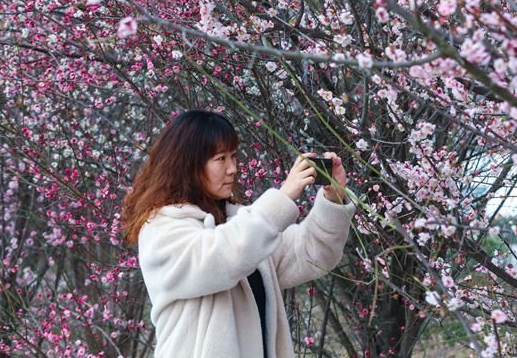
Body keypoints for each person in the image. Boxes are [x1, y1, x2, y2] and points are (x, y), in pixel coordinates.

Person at [120, 110, 356, 357]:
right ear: (188, 164)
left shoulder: (241, 225)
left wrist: (334, 198)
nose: (232, 168)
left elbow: (311, 254)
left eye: (233, 156)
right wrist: (283, 196)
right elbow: (220, 259)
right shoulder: (161, 228)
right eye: (221, 159)